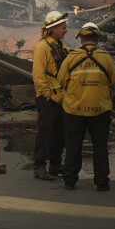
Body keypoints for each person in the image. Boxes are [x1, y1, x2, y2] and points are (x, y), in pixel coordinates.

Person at [57, 22, 115, 191]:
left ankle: (70, 181)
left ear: (81, 38)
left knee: (73, 146)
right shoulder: (105, 57)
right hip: (100, 110)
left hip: (74, 111)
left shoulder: (71, 57)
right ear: (97, 39)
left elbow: (61, 80)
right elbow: (113, 81)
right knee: (100, 146)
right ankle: (102, 182)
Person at [31, 10, 70, 180]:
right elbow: (38, 75)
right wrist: (46, 95)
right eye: (63, 27)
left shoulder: (60, 46)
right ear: (53, 29)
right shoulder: (42, 47)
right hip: (48, 98)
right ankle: (40, 166)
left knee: (59, 132)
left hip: (60, 96)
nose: (66, 30)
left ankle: (55, 163)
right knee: (45, 132)